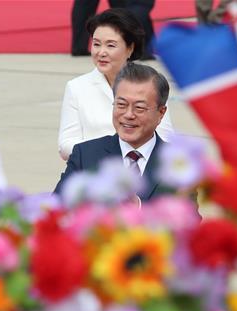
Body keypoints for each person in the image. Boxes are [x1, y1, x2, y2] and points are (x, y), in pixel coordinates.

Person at [58, 9, 173, 161]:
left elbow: (166, 138)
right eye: (96, 44)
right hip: (93, 172)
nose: (101, 52)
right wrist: (111, 153)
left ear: (130, 48)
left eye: (110, 45)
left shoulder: (149, 83)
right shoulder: (77, 87)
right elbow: (65, 145)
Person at [55, 63, 175, 202]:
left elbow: (188, 219)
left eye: (139, 108)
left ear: (161, 113)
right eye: (121, 105)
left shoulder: (177, 164)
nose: (129, 114)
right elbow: (56, 209)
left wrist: (137, 208)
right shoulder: (85, 155)